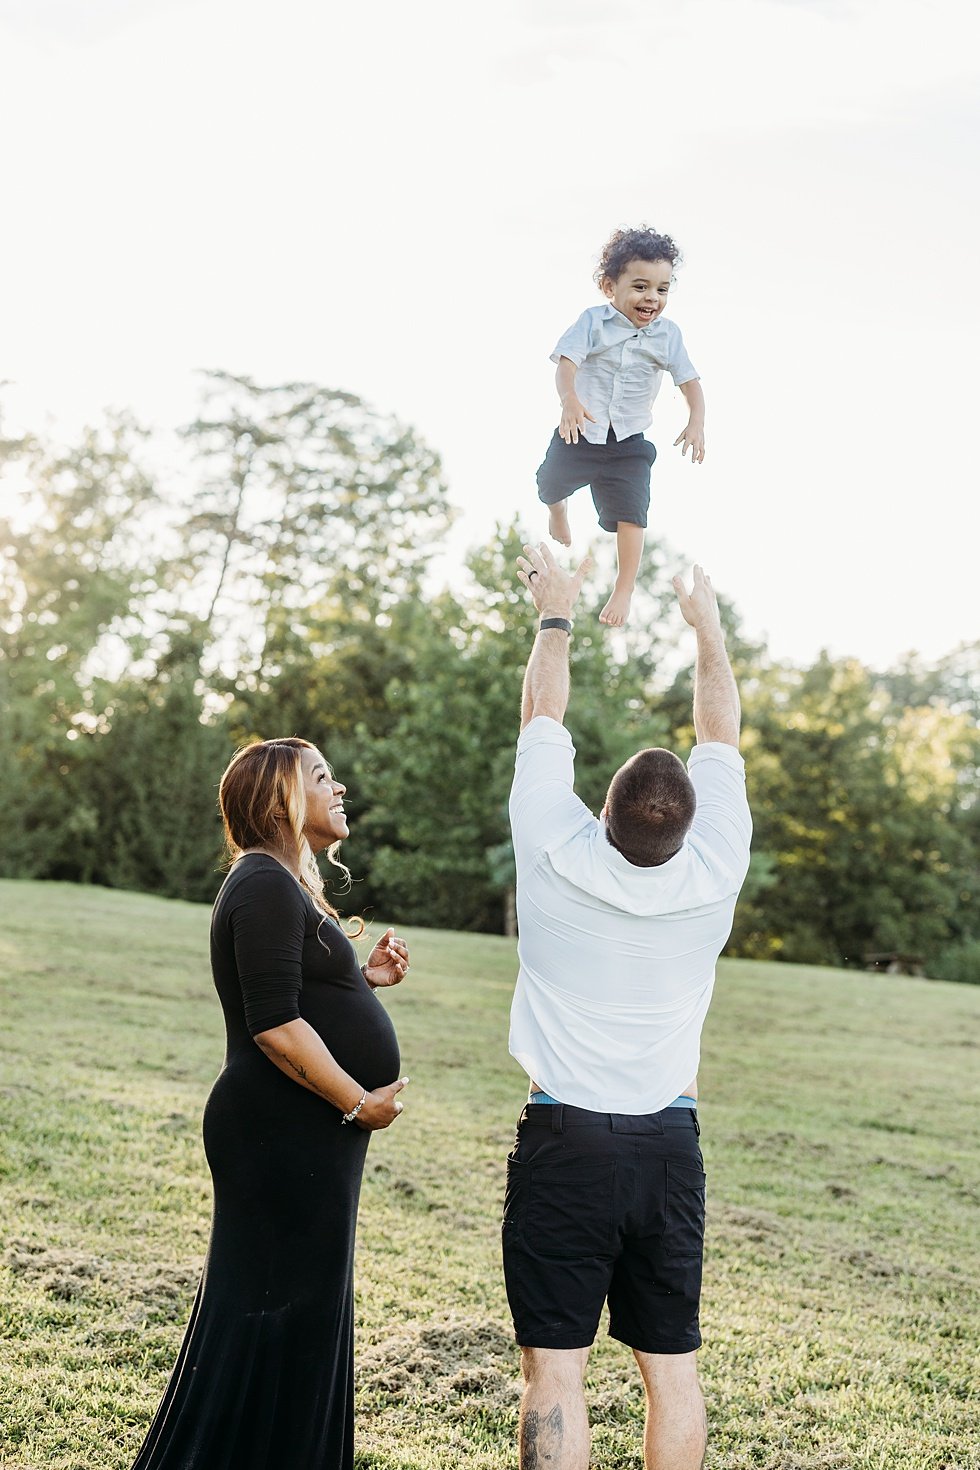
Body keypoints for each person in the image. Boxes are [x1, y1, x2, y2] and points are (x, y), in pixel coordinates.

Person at [502, 544, 751, 1470]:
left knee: (553, 1372)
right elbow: (719, 736)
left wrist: (556, 611)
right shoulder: (718, 869)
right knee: (672, 1369)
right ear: (688, 828)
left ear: (600, 813)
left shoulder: (553, 845)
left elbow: (543, 713)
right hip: (666, 1145)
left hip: (564, 1136)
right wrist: (708, 631)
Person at [130, 737, 410, 1470]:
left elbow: (297, 995)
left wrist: (361, 983)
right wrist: (358, 1104)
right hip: (279, 1134)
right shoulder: (261, 883)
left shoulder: (281, 884)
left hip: (303, 1134)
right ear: (282, 800)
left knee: (301, 1315)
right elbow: (275, 1026)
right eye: (322, 777)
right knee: (271, 1315)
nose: (339, 787)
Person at [535, 225, 705, 629]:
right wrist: (569, 401)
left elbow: (689, 382)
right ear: (609, 286)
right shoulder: (593, 322)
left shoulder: (668, 335)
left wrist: (696, 419)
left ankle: (624, 586)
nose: (652, 298)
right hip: (581, 431)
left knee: (633, 512)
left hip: (628, 441)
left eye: (662, 290)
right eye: (641, 287)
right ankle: (558, 510)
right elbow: (567, 364)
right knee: (549, 483)